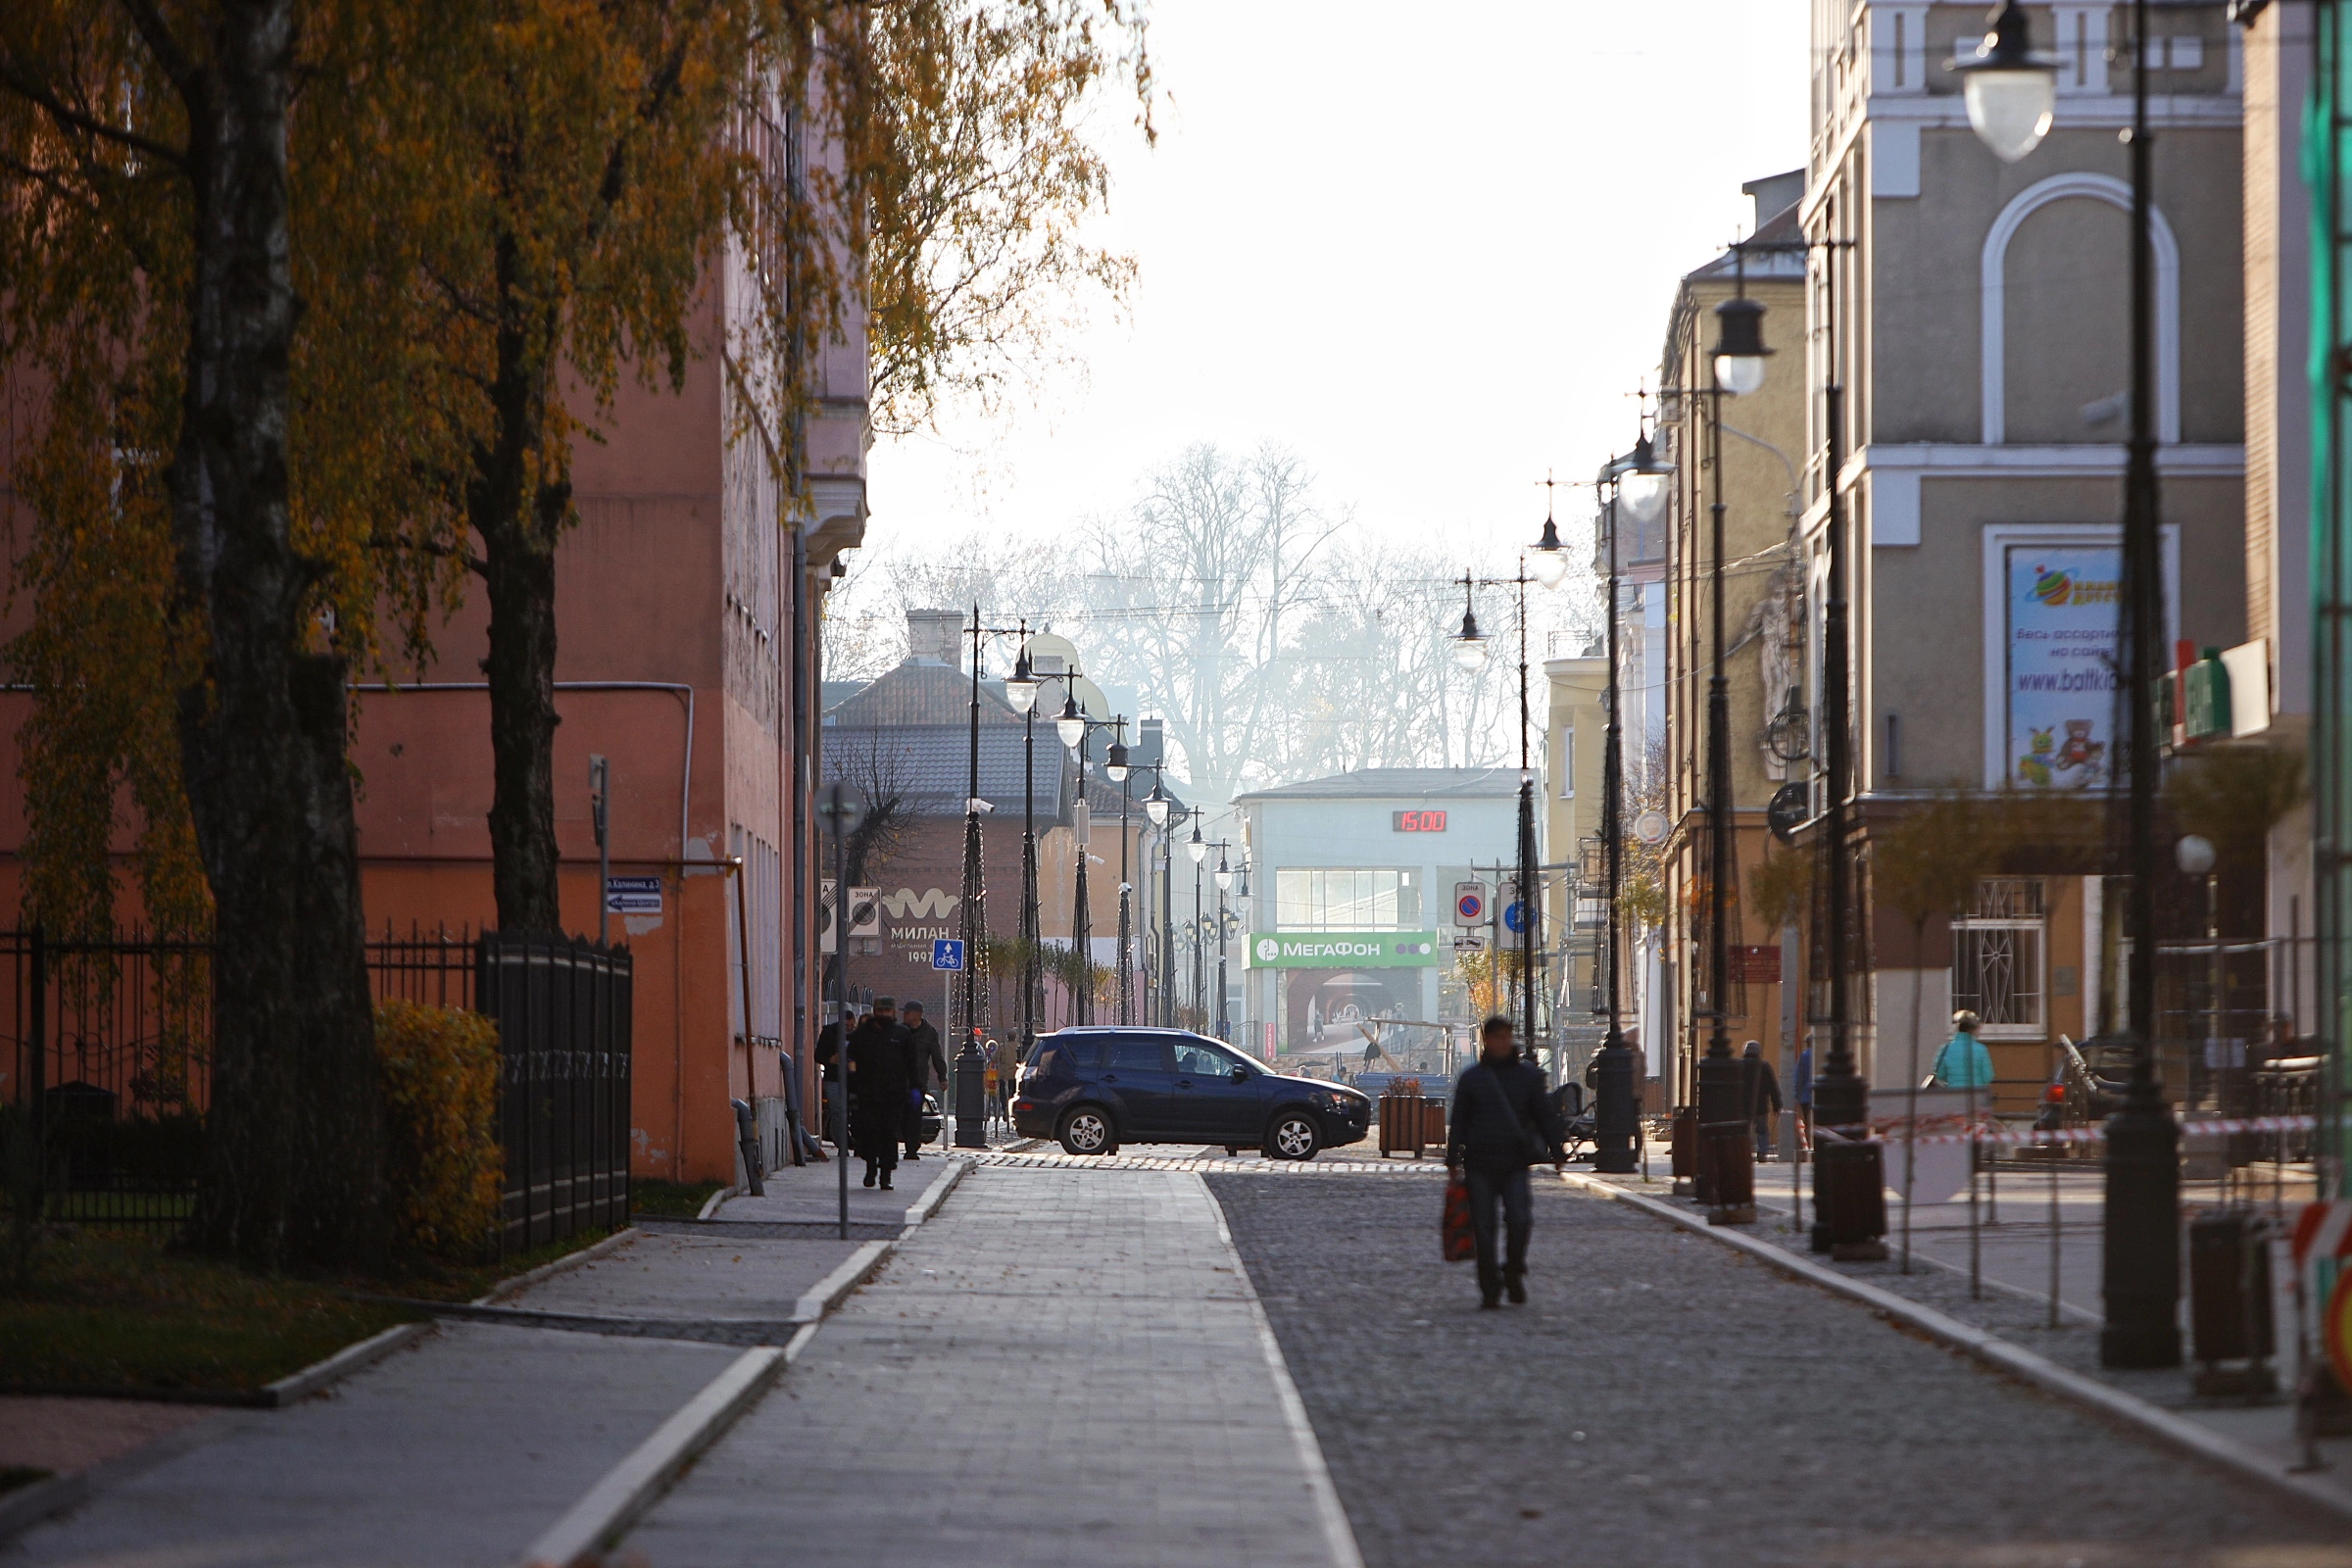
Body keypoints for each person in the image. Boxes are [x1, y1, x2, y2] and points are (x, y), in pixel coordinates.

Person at [1445, 1015, 1566, 1309]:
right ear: (1487, 1040)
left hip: (1514, 1162)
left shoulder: (1527, 1077)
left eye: (1506, 1037)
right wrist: (1452, 1159)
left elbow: (1543, 1114)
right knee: (1484, 1227)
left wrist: (1558, 1151)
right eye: (1497, 1037)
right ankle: (1489, 1287)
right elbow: (1458, 1119)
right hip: (1480, 1163)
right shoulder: (1472, 1078)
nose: (1502, 1042)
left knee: (1520, 1220)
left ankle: (1513, 1270)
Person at [847, 998, 910, 1190]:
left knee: (889, 1134)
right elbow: (851, 1057)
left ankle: (886, 1174)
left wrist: (914, 1087)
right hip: (868, 1092)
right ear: (875, 1011)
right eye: (880, 1011)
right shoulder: (863, 1033)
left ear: (893, 1013)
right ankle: (870, 1167)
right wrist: (853, 1079)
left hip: (894, 1094)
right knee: (869, 1133)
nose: (884, 1015)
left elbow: (911, 1062)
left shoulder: (902, 1033)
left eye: (887, 1011)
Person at [900, 1002, 947, 1159]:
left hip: (917, 1083)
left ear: (917, 1015)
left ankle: (911, 1149)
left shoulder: (929, 1033)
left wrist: (942, 1077)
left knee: (914, 1115)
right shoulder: (900, 1031)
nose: (904, 1015)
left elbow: (937, 1056)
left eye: (907, 1013)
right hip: (898, 1080)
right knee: (899, 1115)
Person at [1931, 1009, 1994, 1091]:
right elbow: (1988, 1076)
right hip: (1976, 1094)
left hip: (1954, 1094)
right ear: (1973, 1030)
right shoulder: (1981, 1049)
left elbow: (1940, 1075)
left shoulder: (1947, 1048)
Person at [1740, 1041, 1783, 1162]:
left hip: (1743, 1106)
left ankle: (1744, 1152)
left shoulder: (1739, 1065)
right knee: (1763, 1131)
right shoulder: (1764, 1066)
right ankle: (1762, 1152)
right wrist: (1777, 1105)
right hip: (1761, 1107)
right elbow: (1773, 1087)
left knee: (1744, 1131)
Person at [1793, 1042, 1814, 1153]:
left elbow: (1799, 1077)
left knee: (1808, 1122)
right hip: (1821, 1095)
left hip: (1806, 1096)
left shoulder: (1804, 1056)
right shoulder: (1822, 1053)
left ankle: (1810, 1146)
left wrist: (1796, 1094)